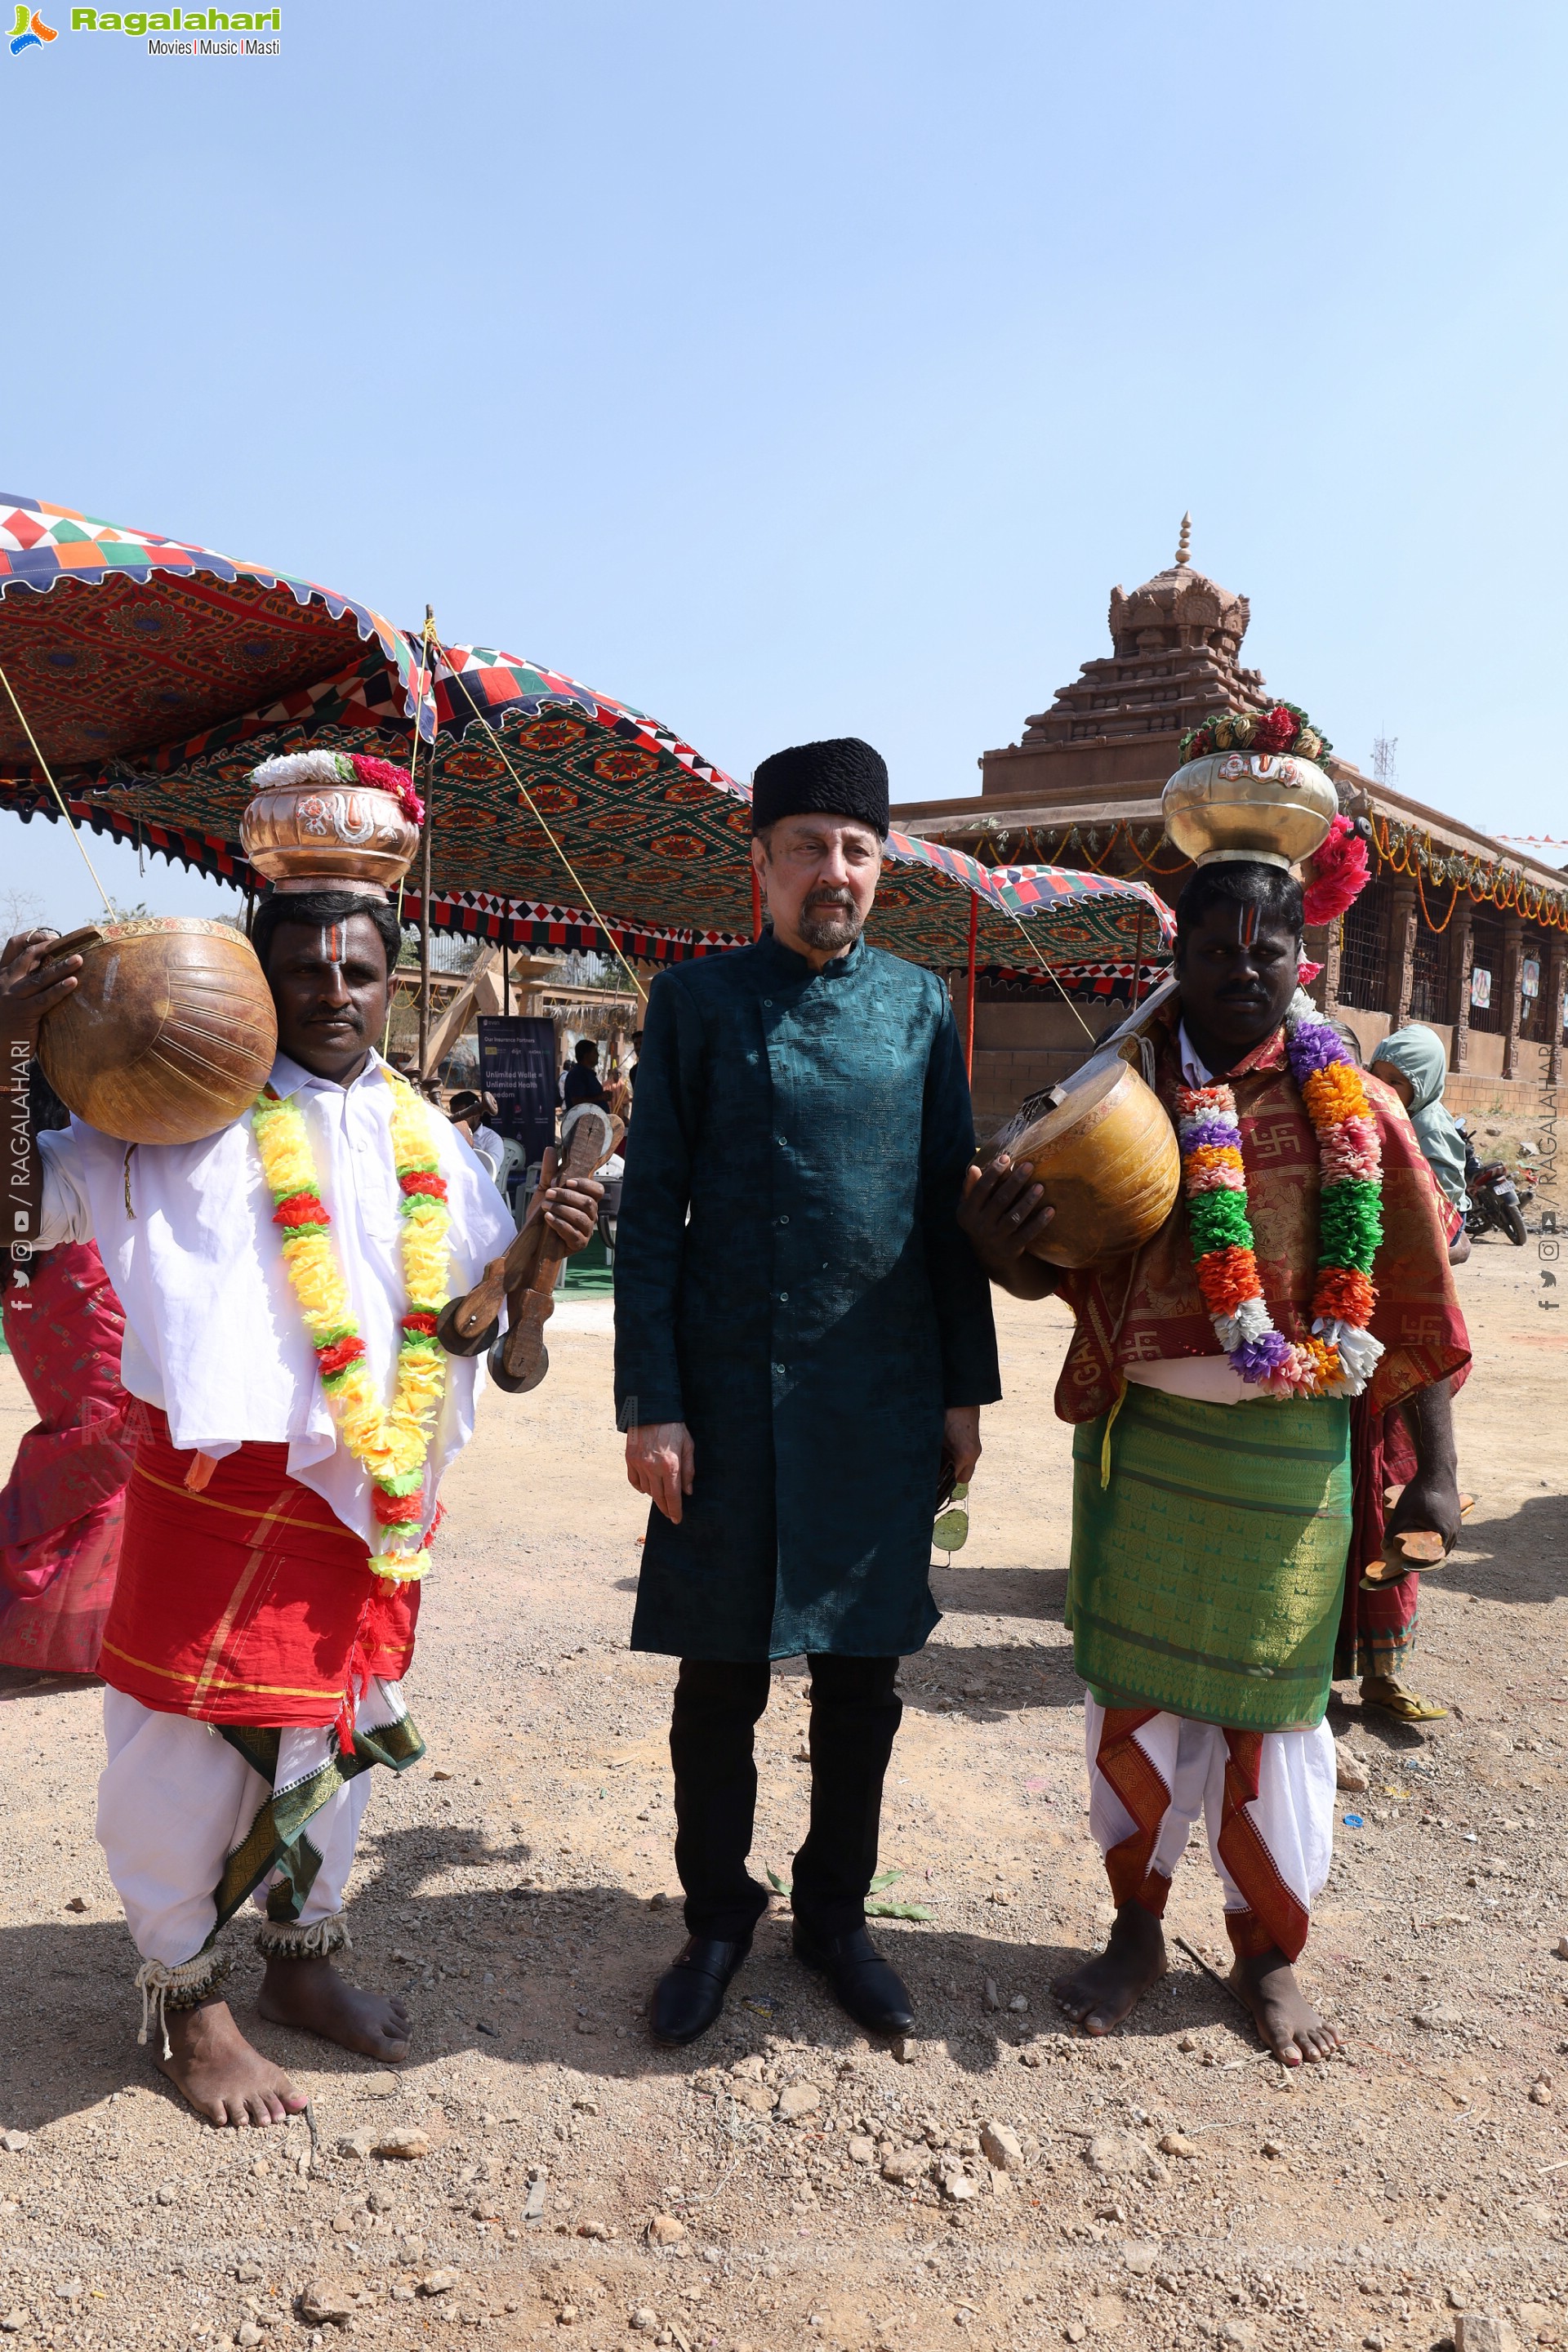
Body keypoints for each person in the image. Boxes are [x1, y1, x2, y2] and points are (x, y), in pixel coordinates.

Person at [0, 761, 602, 2128]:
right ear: (261, 979)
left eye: (362, 973)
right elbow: (18, 1226)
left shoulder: (433, 1143)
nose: (335, 994)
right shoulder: (166, 1114)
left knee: (344, 1729)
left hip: (378, 1502)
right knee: (183, 1748)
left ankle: (300, 1961)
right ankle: (189, 1999)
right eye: (307, 972)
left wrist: (538, 1273)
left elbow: (486, 1353)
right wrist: (7, 1058)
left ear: (394, 985)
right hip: (215, 1496)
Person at [961, 854, 1468, 2067]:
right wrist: (994, 1245)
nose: (1240, 972)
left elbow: (1413, 1300)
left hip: (1293, 1465)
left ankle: (1267, 1957)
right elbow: (1058, 1264)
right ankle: (1137, 1929)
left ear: (1306, 960)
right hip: (1148, 1453)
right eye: (1214, 951)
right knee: (1133, 1706)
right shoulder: (1118, 1092)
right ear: (1176, 959)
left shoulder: (1361, 1107)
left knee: (1277, 1721)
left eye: (1266, 951)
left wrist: (1436, 1474)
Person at [615, 737, 1000, 2047]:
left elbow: (949, 1218)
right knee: (719, 1684)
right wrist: (649, 1402)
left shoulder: (916, 1009)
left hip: (880, 1404)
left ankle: (838, 1916)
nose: (832, 872)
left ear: (881, 867)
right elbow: (649, 1226)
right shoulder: (695, 1006)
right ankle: (716, 1919)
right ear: (762, 864)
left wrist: (964, 1392)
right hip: (720, 1407)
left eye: (856, 850)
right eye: (808, 848)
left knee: (860, 1683)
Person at [0, 1065, 132, 1676]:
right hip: (71, 1258)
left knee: (103, 1433)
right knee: (112, 1432)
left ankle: (97, 1629)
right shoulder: (61, 1050)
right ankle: (63, 1632)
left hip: (39, 1268)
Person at [1370, 1027, 1471, 1264]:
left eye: (1395, 1082)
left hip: (1443, 1214)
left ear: (1422, 1085)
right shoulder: (1393, 1114)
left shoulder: (1430, 1126)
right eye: (1377, 1078)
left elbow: (1447, 1186)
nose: (1383, 1088)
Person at [561, 1038, 608, 1112]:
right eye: (595, 1052)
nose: (598, 1055)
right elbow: (577, 1101)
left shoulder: (588, 1074)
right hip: (583, 1122)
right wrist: (600, 1097)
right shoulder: (577, 1075)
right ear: (586, 1055)